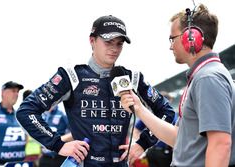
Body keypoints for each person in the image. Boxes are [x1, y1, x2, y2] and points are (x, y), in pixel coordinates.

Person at [16, 15, 175, 167]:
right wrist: (58, 144)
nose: (114, 49)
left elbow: (167, 112)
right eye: (108, 42)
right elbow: (26, 111)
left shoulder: (132, 78)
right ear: (92, 41)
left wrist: (143, 143)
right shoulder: (71, 77)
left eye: (119, 43)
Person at [120, 4, 235, 167]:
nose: (170, 46)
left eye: (172, 38)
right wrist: (139, 108)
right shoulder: (204, 76)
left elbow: (220, 144)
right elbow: (178, 138)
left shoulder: (207, 78)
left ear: (191, 37)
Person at [0, 81, 26, 165]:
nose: (16, 94)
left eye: (18, 91)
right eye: (13, 91)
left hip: (18, 163)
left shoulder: (20, 115)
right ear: (3, 92)